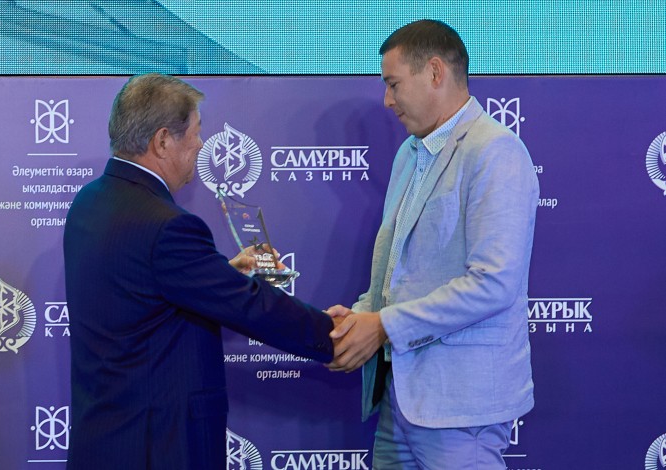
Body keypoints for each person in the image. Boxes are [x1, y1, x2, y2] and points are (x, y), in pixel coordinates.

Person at [63, 73, 336, 469]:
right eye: (195, 132)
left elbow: (144, 293)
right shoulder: (167, 226)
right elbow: (249, 306)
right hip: (157, 448)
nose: (201, 144)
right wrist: (334, 335)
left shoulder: (89, 202)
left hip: (105, 441)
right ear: (162, 141)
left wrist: (223, 271)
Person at [326, 20, 539, 469]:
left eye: (393, 84)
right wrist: (360, 320)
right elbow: (399, 275)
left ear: (436, 72)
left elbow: (493, 284)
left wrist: (383, 326)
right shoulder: (409, 154)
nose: (387, 100)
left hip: (461, 407)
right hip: (400, 399)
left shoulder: (495, 151)